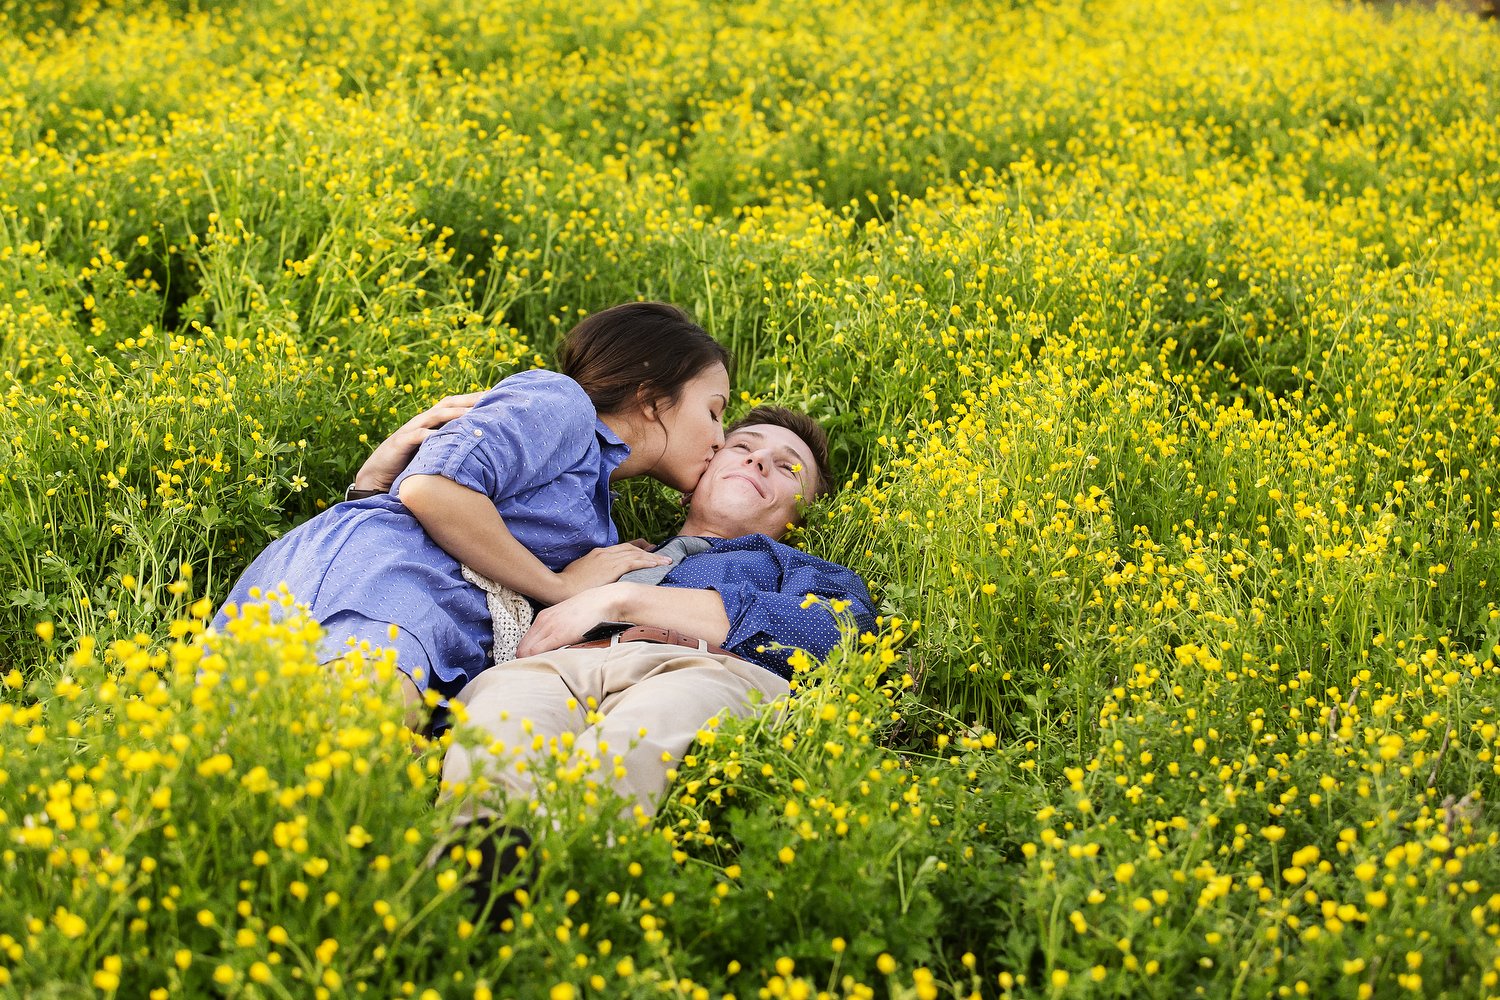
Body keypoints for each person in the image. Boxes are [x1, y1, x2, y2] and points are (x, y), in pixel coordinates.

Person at [433, 407, 876, 912]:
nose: (758, 462)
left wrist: (621, 602)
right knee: (500, 732)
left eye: (788, 467)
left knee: (632, 744)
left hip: (700, 668)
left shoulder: (798, 568)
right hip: (556, 666)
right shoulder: (601, 543)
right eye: (743, 447)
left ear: (802, 512)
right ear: (698, 473)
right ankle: (460, 892)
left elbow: (831, 633)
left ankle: (558, 890)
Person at [213, 302, 731, 710]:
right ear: (652, 399)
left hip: (424, 619)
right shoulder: (562, 403)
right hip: (391, 589)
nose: (720, 438)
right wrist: (559, 586)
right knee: (340, 732)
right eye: (713, 412)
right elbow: (431, 490)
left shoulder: (596, 499)